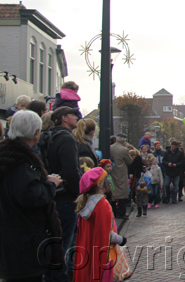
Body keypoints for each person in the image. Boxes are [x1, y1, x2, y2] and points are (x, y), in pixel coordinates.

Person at [0, 110, 65, 281]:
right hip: (24, 243)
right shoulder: (23, 162)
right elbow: (31, 196)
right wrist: (50, 184)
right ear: (36, 133)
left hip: (11, 238)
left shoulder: (7, 157)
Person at [47, 106, 82, 280]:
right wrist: (79, 193)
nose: (76, 117)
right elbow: (71, 171)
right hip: (66, 198)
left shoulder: (50, 136)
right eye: (72, 115)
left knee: (53, 243)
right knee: (65, 244)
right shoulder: (67, 139)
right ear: (63, 118)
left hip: (53, 195)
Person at [74, 167, 127, 282]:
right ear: (99, 184)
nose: (108, 181)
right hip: (104, 254)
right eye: (105, 178)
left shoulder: (86, 203)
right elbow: (106, 233)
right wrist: (121, 239)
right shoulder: (102, 204)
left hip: (88, 254)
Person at [110, 133, 133, 219]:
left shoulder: (110, 148)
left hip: (112, 171)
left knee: (113, 191)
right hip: (121, 172)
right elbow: (129, 161)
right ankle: (121, 212)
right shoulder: (124, 150)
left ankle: (113, 211)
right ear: (123, 140)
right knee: (123, 192)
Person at [164, 139, 185, 204]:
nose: (173, 148)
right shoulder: (167, 152)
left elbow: (182, 162)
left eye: (174, 146)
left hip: (177, 171)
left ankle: (174, 199)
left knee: (175, 186)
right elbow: (164, 161)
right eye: (172, 146)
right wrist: (167, 163)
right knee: (166, 185)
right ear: (171, 145)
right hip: (168, 171)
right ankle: (168, 197)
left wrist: (176, 164)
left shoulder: (180, 153)